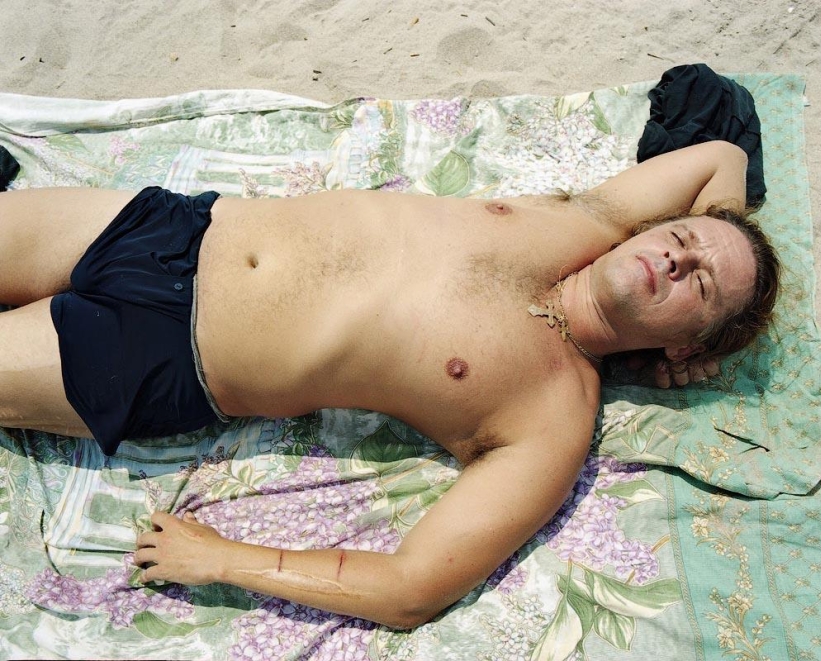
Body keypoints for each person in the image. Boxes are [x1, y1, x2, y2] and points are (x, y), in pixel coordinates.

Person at [0, 140, 779, 628]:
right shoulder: (592, 215)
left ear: (688, 341)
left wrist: (225, 560)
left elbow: (412, 587)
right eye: (683, 236)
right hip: (171, 226)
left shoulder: (553, 416)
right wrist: (724, 244)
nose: (677, 257)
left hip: (161, 355)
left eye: (700, 283)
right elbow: (720, 156)